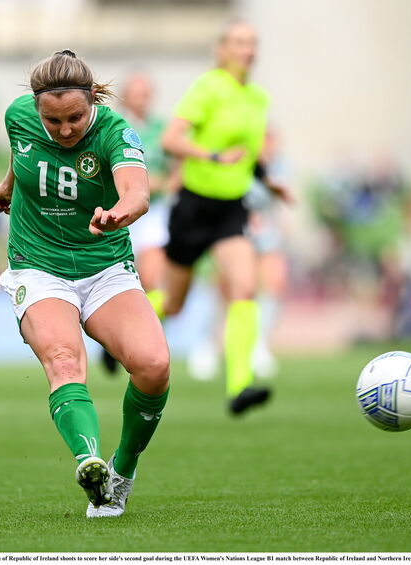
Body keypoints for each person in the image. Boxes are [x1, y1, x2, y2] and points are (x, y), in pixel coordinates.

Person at [0, 50, 170, 518]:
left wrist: (117, 214)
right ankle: (88, 462)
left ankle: (121, 470)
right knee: (64, 359)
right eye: (53, 121)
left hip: (104, 265)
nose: (65, 130)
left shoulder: (116, 131)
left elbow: (137, 192)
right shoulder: (18, 117)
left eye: (74, 117)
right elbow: (22, 148)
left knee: (153, 366)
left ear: (92, 99)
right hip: (37, 264)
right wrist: (9, 184)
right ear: (36, 108)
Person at [153, 20, 292, 415]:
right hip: (194, 205)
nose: (247, 49)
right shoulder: (208, 87)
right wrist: (211, 156)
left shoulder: (257, 98)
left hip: (232, 208)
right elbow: (171, 139)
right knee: (175, 302)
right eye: (239, 42)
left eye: (252, 43)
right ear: (222, 50)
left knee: (244, 288)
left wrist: (269, 181)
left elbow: (249, 154)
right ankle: (121, 335)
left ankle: (239, 385)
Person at [101, 72, 177, 374]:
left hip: (153, 213)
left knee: (153, 280)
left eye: (147, 93)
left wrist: (165, 184)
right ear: (126, 97)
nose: (143, 98)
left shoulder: (163, 129)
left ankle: (143, 340)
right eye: (137, 93)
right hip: (118, 211)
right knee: (117, 282)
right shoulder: (112, 127)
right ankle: (117, 339)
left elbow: (178, 170)